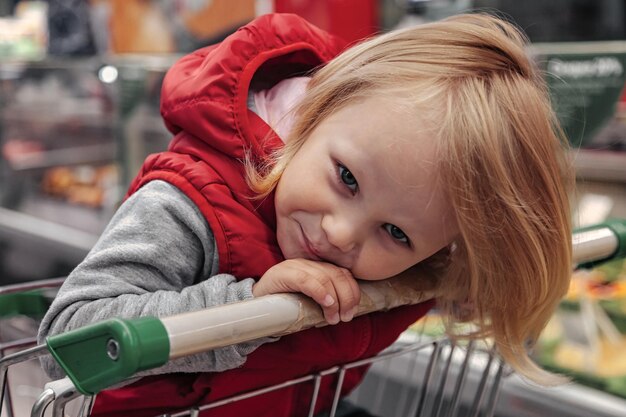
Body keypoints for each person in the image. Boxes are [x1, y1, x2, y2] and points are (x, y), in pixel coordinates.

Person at [38, 12, 573, 417]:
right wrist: (245, 309)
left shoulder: (408, 259)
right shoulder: (191, 202)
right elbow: (65, 343)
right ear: (315, 109)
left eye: (394, 232)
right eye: (346, 178)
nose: (340, 232)